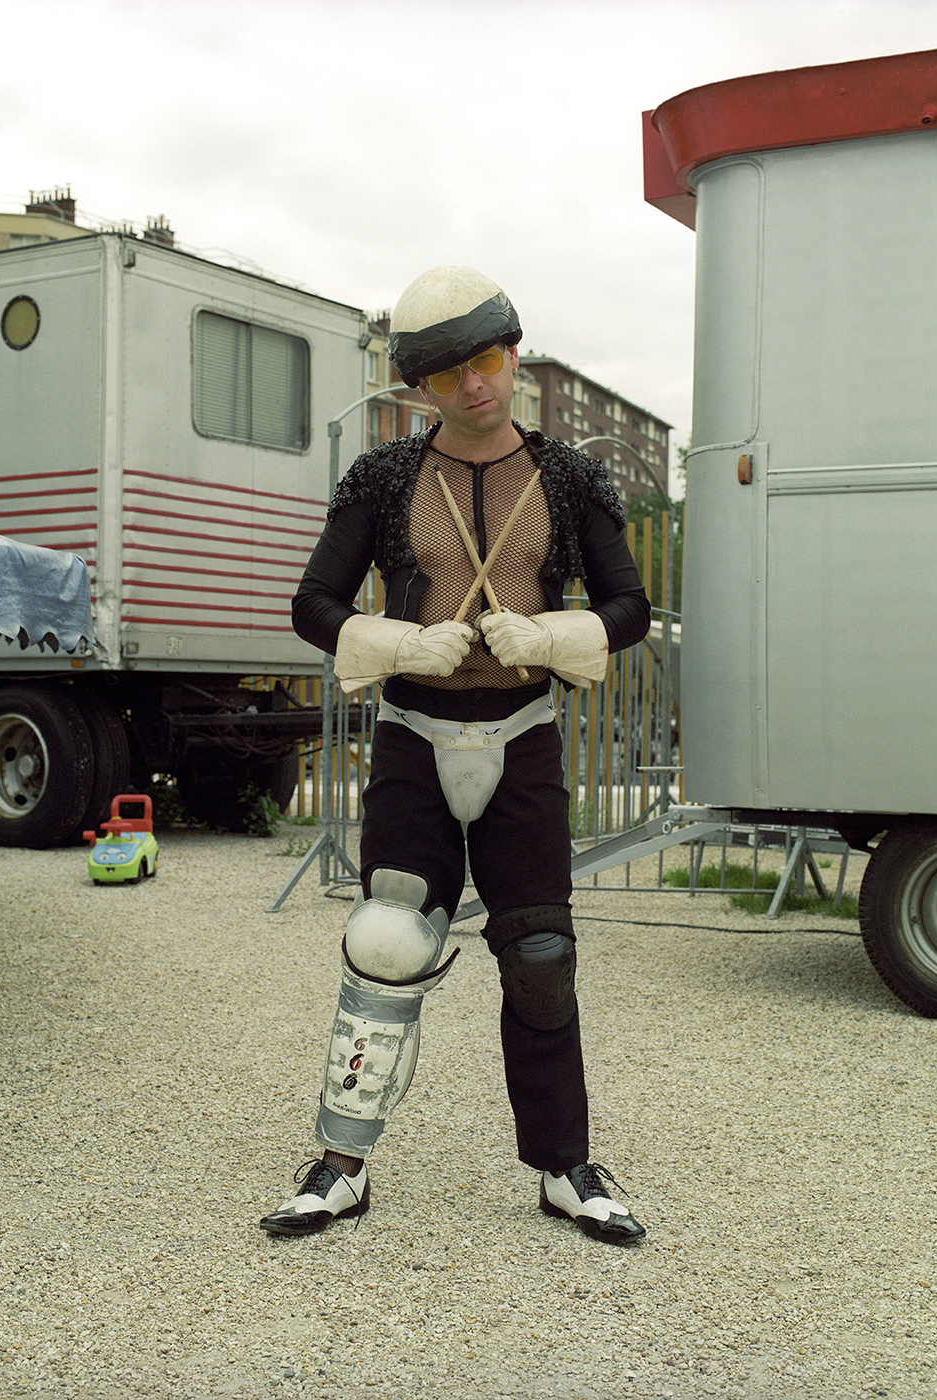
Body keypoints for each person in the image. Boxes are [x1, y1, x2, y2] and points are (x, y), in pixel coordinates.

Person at [259, 266, 651, 1245]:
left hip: (523, 740)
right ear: (419, 386)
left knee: (542, 955)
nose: (473, 385)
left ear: (513, 353)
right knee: (386, 944)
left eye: (487, 360)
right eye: (447, 373)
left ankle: (564, 1166)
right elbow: (313, 602)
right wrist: (399, 643)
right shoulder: (385, 478)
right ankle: (340, 1164)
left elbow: (629, 606)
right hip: (411, 738)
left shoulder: (568, 477)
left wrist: (551, 634)